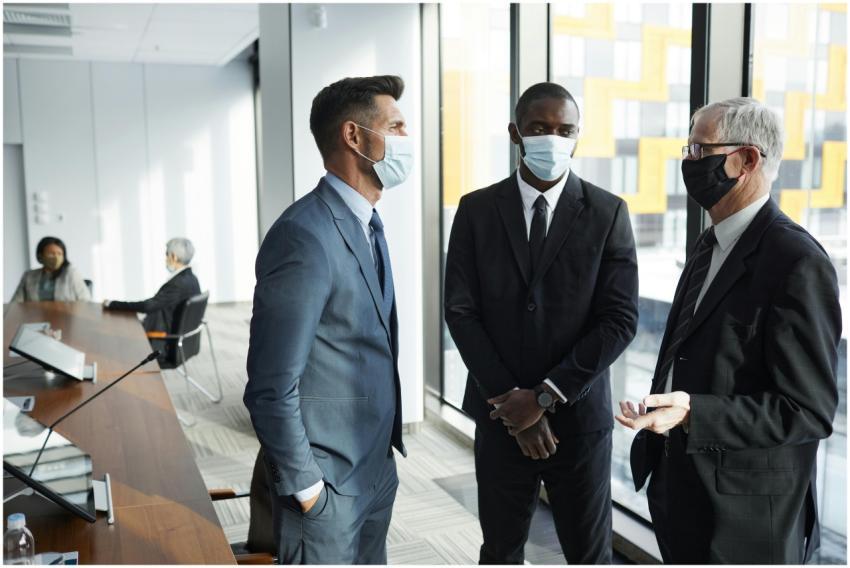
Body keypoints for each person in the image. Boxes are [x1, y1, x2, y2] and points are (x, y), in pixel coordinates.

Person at [616, 98, 840, 564]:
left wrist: (694, 412)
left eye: (699, 151)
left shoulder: (797, 262)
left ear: (747, 160)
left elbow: (807, 411)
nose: (687, 162)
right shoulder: (709, 241)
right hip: (681, 489)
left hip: (745, 521)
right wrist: (666, 405)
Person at [444, 82, 639, 564]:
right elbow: (461, 312)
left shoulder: (608, 212)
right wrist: (514, 405)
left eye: (564, 130)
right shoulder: (476, 210)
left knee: (588, 554)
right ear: (515, 133)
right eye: (539, 128)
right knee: (501, 549)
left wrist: (545, 396)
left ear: (577, 137)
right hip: (500, 418)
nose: (553, 138)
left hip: (580, 423)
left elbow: (620, 319)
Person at [243, 75, 410, 565]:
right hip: (326, 486)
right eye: (396, 127)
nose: (407, 140)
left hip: (374, 470)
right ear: (354, 136)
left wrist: (382, 466)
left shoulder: (368, 224)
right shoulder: (304, 236)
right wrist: (308, 487)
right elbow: (270, 386)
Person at [103, 237, 201, 359]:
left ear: (174, 257)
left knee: (114, 337)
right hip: (183, 341)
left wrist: (113, 304)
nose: (165, 259)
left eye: (166, 254)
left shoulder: (177, 283)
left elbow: (148, 306)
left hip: (163, 343)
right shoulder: (192, 279)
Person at [12, 236, 91, 302]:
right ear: (40, 256)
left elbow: (86, 301)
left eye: (59, 254)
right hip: (36, 318)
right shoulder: (28, 276)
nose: (56, 257)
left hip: (65, 318)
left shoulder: (71, 273)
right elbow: (15, 303)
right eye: (51, 254)